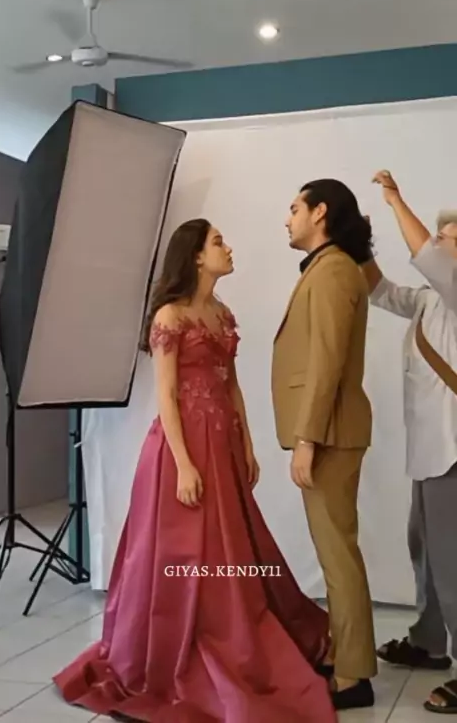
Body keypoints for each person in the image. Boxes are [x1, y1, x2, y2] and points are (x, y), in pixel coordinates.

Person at [53, 218, 337, 723]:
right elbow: (165, 394)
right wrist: (184, 464)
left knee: (232, 543)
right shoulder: (171, 315)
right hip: (180, 448)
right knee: (183, 549)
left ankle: (237, 630)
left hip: (222, 442)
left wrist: (246, 444)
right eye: (218, 242)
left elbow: (231, 385)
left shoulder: (222, 314)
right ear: (196, 256)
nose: (229, 248)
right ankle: (177, 648)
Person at [271, 179, 377, 712]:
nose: (286, 218)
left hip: (329, 433)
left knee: (338, 556)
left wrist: (306, 438)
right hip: (329, 430)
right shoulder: (329, 267)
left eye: (294, 208)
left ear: (320, 212)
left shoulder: (334, 270)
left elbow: (327, 361)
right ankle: (342, 655)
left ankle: (354, 677)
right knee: (336, 553)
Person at [362, 170, 457, 715]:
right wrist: (361, 245)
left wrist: (396, 201)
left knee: (453, 562)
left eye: (446, 237)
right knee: (425, 548)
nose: (436, 243)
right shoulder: (430, 301)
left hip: (453, 449)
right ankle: (429, 642)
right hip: (431, 449)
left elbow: (427, 256)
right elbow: (380, 291)